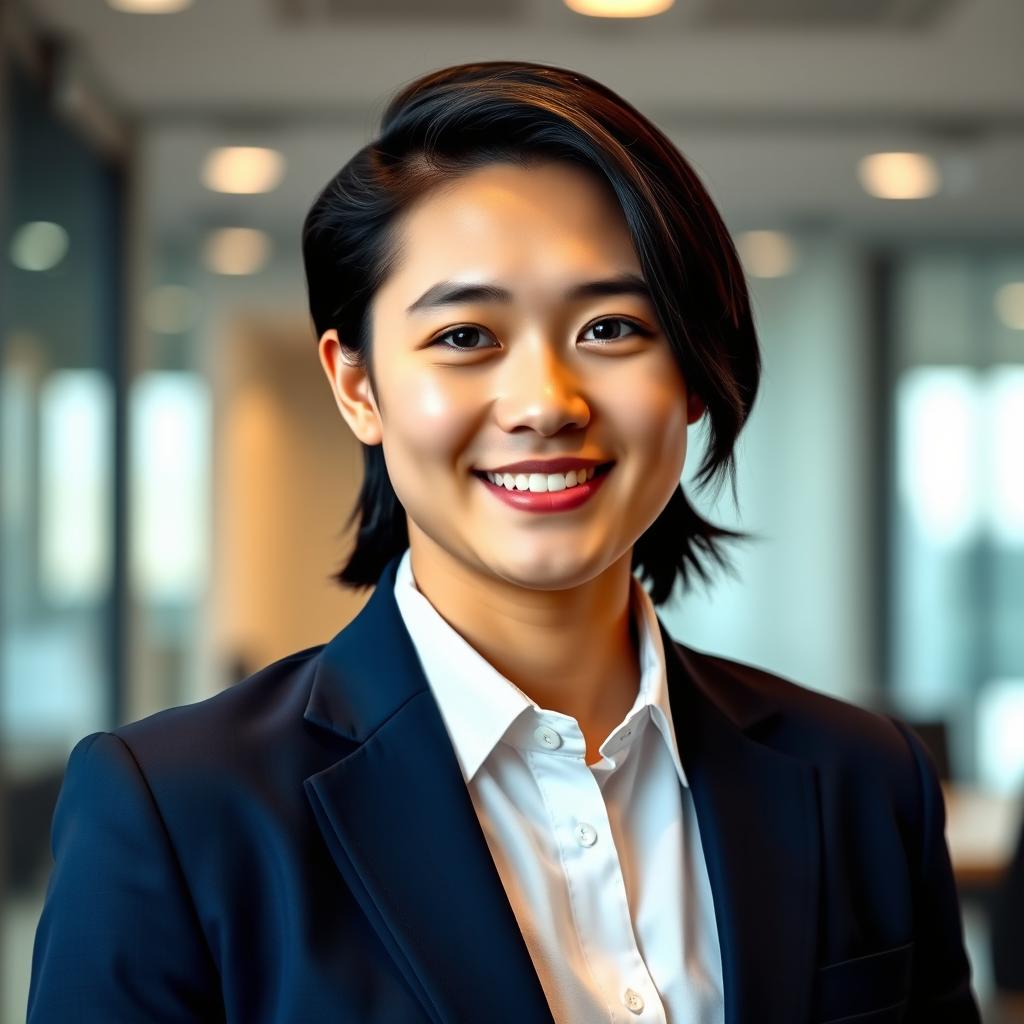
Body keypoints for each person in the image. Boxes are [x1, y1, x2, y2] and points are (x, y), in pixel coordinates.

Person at [27, 61, 981, 1023]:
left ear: (694, 373)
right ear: (358, 386)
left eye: (611, 327)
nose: (545, 405)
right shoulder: (177, 814)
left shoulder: (865, 781)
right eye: (465, 337)